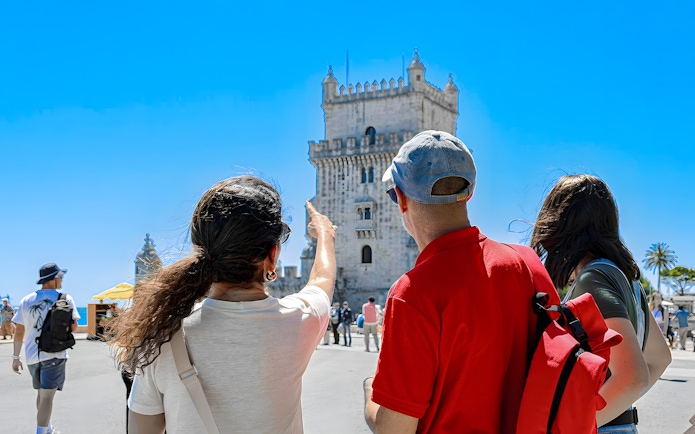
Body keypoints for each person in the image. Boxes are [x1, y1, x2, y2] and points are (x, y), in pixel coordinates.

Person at [107, 176, 337, 433]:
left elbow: (141, 429)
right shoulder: (300, 321)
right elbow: (322, 279)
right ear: (272, 256)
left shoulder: (162, 336)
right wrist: (325, 235)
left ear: (200, 251)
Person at [364, 130, 541, 433]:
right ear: (470, 192)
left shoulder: (412, 293)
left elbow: (394, 427)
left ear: (402, 199)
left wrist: (370, 390)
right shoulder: (527, 264)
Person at [530, 174, 672, 432]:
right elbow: (659, 359)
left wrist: (574, 426)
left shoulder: (593, 278)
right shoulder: (630, 282)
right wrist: (617, 410)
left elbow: (633, 377)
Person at [11, 263, 80, 434]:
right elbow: (73, 327)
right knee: (47, 396)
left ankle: (47, 428)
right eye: (60, 277)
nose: (62, 280)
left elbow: (19, 331)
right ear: (54, 278)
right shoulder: (65, 298)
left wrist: (15, 357)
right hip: (54, 354)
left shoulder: (26, 300)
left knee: (41, 395)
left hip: (32, 356)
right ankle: (41, 432)